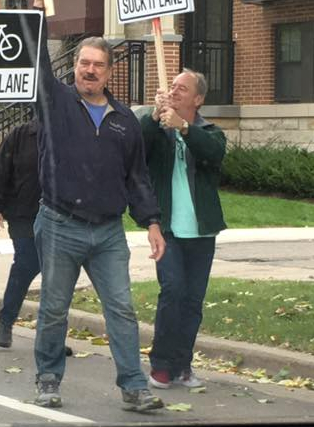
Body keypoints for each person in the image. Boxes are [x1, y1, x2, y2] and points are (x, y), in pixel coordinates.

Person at [29, 0, 166, 412]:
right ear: (76, 67)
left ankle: (134, 387)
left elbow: (137, 177)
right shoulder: (54, 101)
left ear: (109, 72)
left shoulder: (125, 120)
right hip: (59, 224)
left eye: (98, 65)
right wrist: (38, 4)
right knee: (52, 309)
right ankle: (48, 378)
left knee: (122, 311)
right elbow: (32, 59)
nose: (89, 70)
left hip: (107, 232)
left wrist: (152, 223)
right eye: (84, 63)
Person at [139, 70, 226, 389]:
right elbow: (135, 147)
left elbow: (213, 155)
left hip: (202, 233)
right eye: (172, 86)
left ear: (198, 99)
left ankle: (183, 364)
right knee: (172, 291)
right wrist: (154, 116)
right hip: (168, 230)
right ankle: (161, 364)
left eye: (182, 88)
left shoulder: (210, 131)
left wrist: (184, 128)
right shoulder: (156, 130)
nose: (174, 91)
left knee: (192, 300)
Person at [0, 119, 40, 348]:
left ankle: (51, 336)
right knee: (26, 264)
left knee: (59, 275)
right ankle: (6, 321)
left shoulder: (70, 130)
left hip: (61, 215)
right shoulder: (21, 135)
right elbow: (0, 170)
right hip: (24, 213)